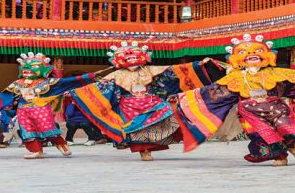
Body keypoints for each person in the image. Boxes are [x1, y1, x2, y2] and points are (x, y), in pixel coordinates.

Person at [174, 34, 295, 166]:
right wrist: (183, 98)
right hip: (249, 110)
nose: (251, 55)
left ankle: (293, 145)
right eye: (244, 53)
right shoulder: (233, 76)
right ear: (237, 58)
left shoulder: (273, 72)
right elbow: (212, 91)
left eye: (257, 52)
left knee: (288, 126)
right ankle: (281, 156)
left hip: (275, 105)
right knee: (263, 134)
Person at [70, 41, 224, 161]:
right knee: (137, 129)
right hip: (128, 105)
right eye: (127, 55)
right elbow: (98, 87)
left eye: (134, 54)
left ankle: (162, 142)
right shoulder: (115, 75)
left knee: (170, 116)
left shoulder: (151, 70)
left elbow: (176, 71)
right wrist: (75, 93)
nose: (131, 57)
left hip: (152, 102)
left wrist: (198, 65)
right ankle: (144, 150)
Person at [0, 52, 110, 159]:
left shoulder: (48, 82)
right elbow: (3, 96)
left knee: (47, 128)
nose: (27, 69)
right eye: (25, 67)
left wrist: (89, 76)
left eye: (33, 66)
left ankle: (62, 145)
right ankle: (37, 151)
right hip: (23, 109)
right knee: (27, 130)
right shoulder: (18, 82)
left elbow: (68, 81)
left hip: (40, 108)